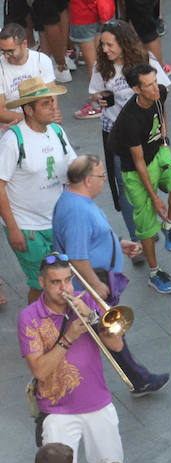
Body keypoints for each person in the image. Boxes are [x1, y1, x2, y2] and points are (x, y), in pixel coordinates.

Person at [18, 254, 137, 463]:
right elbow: (40, 371)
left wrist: (94, 316)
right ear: (42, 283)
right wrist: (70, 335)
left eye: (68, 280)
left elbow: (117, 345)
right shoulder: (29, 318)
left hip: (97, 401)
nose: (65, 289)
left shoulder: (88, 300)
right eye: (56, 282)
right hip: (57, 409)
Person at [52, 155, 169, 397]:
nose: (105, 180)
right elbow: (77, 256)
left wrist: (119, 243)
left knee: (109, 331)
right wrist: (95, 285)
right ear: (86, 180)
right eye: (100, 175)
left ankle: (139, 379)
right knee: (111, 334)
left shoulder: (77, 200)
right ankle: (139, 380)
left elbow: (93, 236)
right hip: (90, 283)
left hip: (96, 279)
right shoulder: (77, 211)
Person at [89, 20, 170, 260]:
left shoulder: (146, 62)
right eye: (102, 44)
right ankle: (137, 238)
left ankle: (155, 225)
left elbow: (162, 95)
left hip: (148, 133)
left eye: (109, 44)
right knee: (125, 188)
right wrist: (98, 99)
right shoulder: (101, 67)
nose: (105, 49)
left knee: (154, 180)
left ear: (124, 43)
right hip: (116, 135)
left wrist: (163, 133)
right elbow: (94, 93)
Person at [111, 62, 171, 295]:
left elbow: (161, 108)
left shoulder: (159, 92)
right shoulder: (129, 121)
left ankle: (169, 223)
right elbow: (138, 162)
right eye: (149, 85)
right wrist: (154, 197)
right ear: (136, 90)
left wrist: (164, 138)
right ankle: (155, 273)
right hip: (136, 169)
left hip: (157, 152)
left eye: (156, 81)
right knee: (145, 225)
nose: (156, 88)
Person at [0, 78, 74, 304]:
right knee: (40, 284)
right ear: (29, 110)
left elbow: (73, 168)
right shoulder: (13, 140)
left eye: (52, 101)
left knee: (63, 278)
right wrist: (13, 229)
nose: (53, 106)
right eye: (45, 103)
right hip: (28, 228)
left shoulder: (57, 131)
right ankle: (33, 326)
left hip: (57, 222)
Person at [0, 23, 56, 126]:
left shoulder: (42, 60)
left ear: (24, 44)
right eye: (3, 51)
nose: (6, 56)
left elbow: (51, 99)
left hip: (40, 119)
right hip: (12, 124)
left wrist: (47, 117)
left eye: (11, 51)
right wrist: (34, 119)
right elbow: (1, 112)